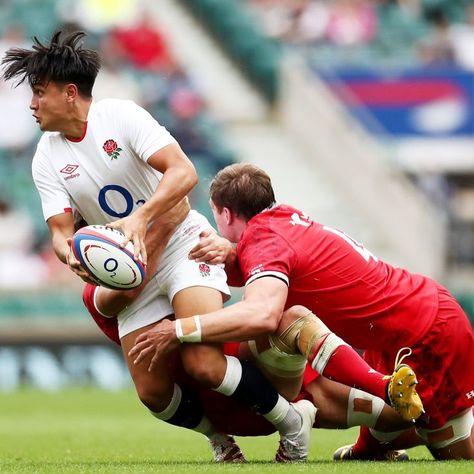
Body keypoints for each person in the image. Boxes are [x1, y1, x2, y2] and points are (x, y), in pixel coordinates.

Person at [1, 30, 320, 463]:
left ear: (69, 93)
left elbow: (184, 172)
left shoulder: (122, 117)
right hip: (129, 267)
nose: (32, 104)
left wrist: (141, 217)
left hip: (182, 245)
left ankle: (291, 422)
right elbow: (59, 231)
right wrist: (70, 253)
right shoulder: (46, 157)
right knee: (152, 393)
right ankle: (220, 440)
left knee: (203, 364)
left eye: (39, 93)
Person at [130, 162, 474, 460]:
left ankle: (421, 427)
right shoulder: (282, 219)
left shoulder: (266, 242)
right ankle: (374, 441)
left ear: (225, 213)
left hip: (427, 333)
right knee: (380, 421)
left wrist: (177, 329)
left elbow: (262, 315)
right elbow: (283, 265)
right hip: (403, 324)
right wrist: (234, 252)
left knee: (450, 447)